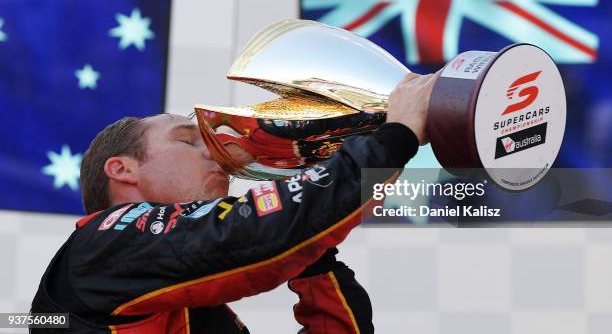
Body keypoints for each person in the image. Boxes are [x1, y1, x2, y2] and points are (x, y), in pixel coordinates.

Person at [30, 72, 437, 333]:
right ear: (122, 170)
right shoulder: (102, 244)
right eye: (188, 140)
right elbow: (246, 232)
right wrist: (395, 136)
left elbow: (258, 236)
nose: (216, 153)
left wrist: (313, 249)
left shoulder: (203, 313)